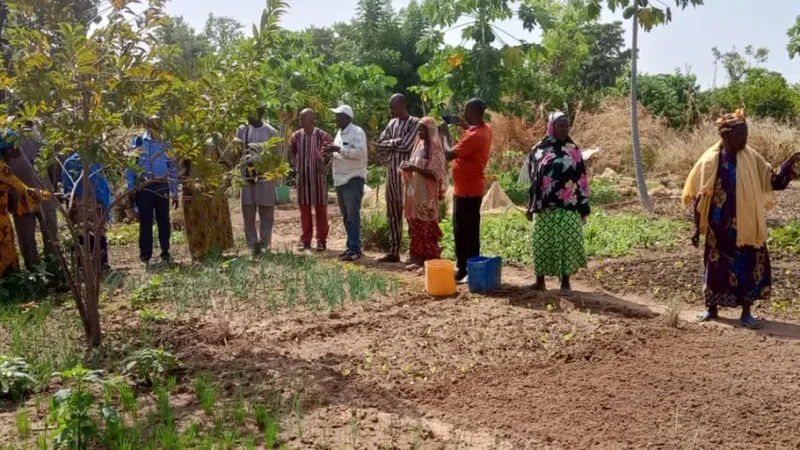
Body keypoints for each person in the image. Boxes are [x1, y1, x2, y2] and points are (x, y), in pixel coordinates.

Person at [683, 108, 800, 329]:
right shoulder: (709, 161)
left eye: (746, 134)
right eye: (740, 135)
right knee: (715, 266)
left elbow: (773, 181)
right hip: (718, 227)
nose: (744, 139)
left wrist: (788, 164)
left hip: (747, 225)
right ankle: (712, 309)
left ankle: (746, 313)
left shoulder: (752, 157)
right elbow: (700, 198)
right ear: (726, 136)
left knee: (748, 263)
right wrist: (697, 228)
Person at [524, 112, 590, 292]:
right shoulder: (538, 150)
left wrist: (584, 207)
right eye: (561, 125)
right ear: (551, 126)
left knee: (567, 243)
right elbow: (533, 180)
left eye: (567, 125)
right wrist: (530, 206)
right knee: (542, 243)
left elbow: (582, 179)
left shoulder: (573, 149)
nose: (564, 128)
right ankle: (540, 281)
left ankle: (565, 283)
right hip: (544, 207)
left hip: (568, 205)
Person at [443, 98, 492, 283]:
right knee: (469, 230)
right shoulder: (485, 129)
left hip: (467, 191)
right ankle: (469, 267)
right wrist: (464, 126)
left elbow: (449, 154)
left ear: (473, 112)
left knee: (463, 231)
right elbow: (471, 139)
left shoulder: (474, 136)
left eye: (466, 111)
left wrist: (445, 135)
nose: (463, 114)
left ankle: (464, 268)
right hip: (469, 188)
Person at [127, 115, 179, 265]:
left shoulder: (166, 143)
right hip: (144, 187)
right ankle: (145, 256)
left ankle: (165, 252)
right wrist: (131, 188)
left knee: (164, 220)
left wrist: (174, 192)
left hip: (162, 185)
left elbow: (173, 168)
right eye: (153, 124)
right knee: (145, 221)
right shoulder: (138, 142)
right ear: (147, 126)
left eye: (158, 124)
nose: (156, 127)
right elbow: (130, 166)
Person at [7, 123, 59, 269]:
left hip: (45, 190)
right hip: (20, 195)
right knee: (27, 238)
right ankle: (34, 272)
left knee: (51, 231)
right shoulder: (7, 135)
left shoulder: (41, 131)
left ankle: (54, 268)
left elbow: (52, 163)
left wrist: (55, 187)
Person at [399, 117, 448, 271]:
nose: (419, 132)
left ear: (429, 132)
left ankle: (428, 258)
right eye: (418, 129)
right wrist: (406, 167)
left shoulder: (434, 150)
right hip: (414, 192)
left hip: (426, 194)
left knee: (426, 224)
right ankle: (417, 256)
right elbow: (413, 164)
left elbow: (436, 174)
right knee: (415, 224)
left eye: (422, 129)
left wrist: (416, 169)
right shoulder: (418, 146)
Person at [0, 129, 49, 277]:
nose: (19, 150)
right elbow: (24, 190)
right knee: (5, 246)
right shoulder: (3, 169)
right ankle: (8, 281)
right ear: (9, 149)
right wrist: (50, 195)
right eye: (16, 146)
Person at [377, 94, 419, 263]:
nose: (391, 110)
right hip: (391, 175)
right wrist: (395, 143)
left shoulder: (415, 122)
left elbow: (407, 145)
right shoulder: (391, 123)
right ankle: (394, 251)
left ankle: (413, 252)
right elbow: (380, 143)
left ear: (402, 104)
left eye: (392, 106)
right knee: (392, 213)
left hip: (407, 176)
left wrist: (391, 144)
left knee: (410, 213)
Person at [181, 136, 234, 262]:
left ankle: (216, 250)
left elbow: (227, 160)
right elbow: (184, 164)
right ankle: (198, 252)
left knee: (215, 217)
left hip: (214, 186)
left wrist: (225, 179)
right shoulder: (187, 136)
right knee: (197, 218)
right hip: (195, 186)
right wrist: (186, 184)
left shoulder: (216, 137)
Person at [326, 105, 367, 262]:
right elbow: (340, 153)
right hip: (340, 179)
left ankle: (354, 249)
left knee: (352, 215)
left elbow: (361, 153)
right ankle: (352, 245)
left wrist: (339, 150)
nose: (336, 119)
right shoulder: (339, 133)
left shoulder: (357, 132)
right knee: (346, 215)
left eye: (339, 116)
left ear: (348, 118)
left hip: (352, 178)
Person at [236, 107, 279, 255]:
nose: (249, 118)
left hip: (265, 177)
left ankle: (265, 244)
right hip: (246, 176)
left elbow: (277, 156)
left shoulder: (271, 132)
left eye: (252, 115)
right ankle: (252, 244)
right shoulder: (242, 130)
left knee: (266, 211)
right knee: (248, 210)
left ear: (260, 115)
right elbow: (237, 153)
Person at [290, 109, 333, 252]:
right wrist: (296, 165)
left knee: (321, 209)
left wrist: (325, 165)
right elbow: (293, 151)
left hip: (317, 177)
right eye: (300, 119)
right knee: (304, 209)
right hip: (302, 176)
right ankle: (305, 240)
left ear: (312, 119)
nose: (300, 121)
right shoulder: (296, 136)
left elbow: (332, 151)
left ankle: (321, 240)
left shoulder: (322, 135)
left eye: (303, 118)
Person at [62, 152, 112, 270]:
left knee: (89, 233)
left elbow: (67, 188)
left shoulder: (91, 162)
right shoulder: (75, 163)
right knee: (90, 233)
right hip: (88, 203)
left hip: (86, 203)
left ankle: (88, 265)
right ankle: (96, 264)